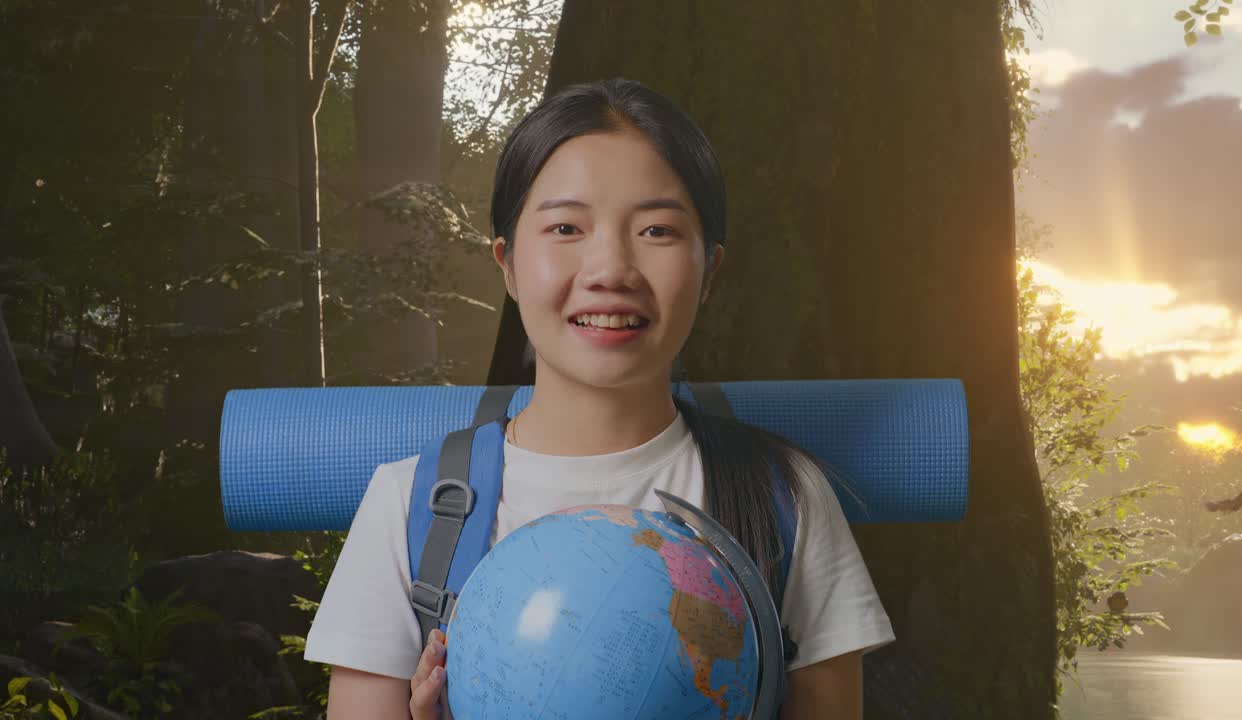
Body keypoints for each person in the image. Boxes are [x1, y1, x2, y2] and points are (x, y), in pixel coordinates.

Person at [304, 77, 895, 719]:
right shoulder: (410, 509)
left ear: (711, 271)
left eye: (657, 231)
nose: (610, 269)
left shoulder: (783, 499)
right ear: (506, 262)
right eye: (565, 226)